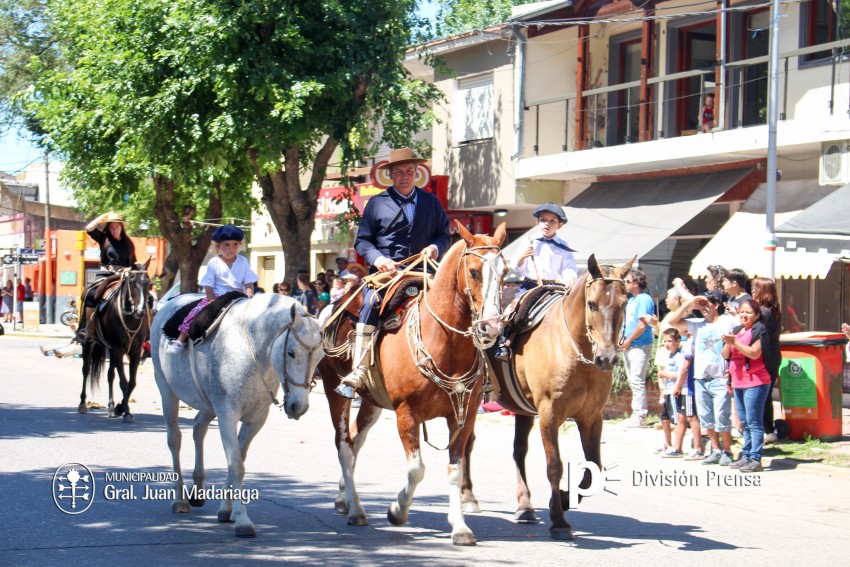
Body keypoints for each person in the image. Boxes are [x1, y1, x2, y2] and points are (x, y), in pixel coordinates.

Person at [334, 148, 451, 397]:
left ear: (417, 173)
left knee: (458, 303)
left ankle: (474, 372)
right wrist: (378, 260)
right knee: (370, 302)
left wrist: (434, 247)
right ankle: (359, 369)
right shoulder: (376, 203)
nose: (405, 176)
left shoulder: (431, 202)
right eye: (399, 172)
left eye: (409, 171)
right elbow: (363, 241)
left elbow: (444, 235)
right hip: (389, 272)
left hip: (425, 269)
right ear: (391, 175)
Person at [494, 202, 577, 359]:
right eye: (543, 219)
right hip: (531, 286)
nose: (547, 223)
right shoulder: (529, 240)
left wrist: (569, 279)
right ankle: (503, 343)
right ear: (537, 222)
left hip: (554, 287)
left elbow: (569, 267)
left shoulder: (563, 246)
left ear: (560, 225)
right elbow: (516, 267)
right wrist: (522, 257)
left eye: (552, 221)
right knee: (513, 310)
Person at [668, 286, 737, 466]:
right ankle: (715, 449)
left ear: (718, 304)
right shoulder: (697, 324)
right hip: (700, 378)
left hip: (720, 378)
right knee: (707, 418)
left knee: (722, 415)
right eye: (703, 303)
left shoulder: (728, 322)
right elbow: (673, 321)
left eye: (710, 303)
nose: (706, 306)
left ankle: (727, 450)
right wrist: (690, 303)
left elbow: (743, 329)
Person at [166, 225, 257, 354]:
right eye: (227, 245)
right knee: (196, 312)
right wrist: (211, 300)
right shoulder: (214, 262)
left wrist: (249, 295)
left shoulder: (243, 261)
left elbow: (248, 282)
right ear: (218, 246)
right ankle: (180, 340)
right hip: (218, 296)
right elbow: (208, 284)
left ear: (239, 245)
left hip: (238, 297)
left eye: (235, 245)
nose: (231, 248)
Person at [722, 299, 772, 473]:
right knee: (744, 422)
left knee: (754, 421)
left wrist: (735, 342)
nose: (744, 315)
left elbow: (755, 353)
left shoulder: (759, 329)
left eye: (749, 312)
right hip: (739, 382)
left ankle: (755, 459)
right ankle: (747, 455)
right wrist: (729, 341)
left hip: (756, 381)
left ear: (757, 315)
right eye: (742, 311)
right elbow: (725, 354)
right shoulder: (737, 331)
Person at [619, 268, 655, 427]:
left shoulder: (644, 299)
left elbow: (642, 325)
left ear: (636, 283)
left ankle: (640, 415)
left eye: (627, 281)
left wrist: (628, 340)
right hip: (630, 344)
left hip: (640, 344)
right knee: (633, 380)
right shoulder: (631, 300)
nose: (625, 284)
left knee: (637, 380)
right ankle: (636, 413)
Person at [751, 277, 782, 442]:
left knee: (761, 394)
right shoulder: (774, 309)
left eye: (755, 288)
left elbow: (756, 331)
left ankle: (767, 429)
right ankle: (768, 429)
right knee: (766, 393)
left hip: (766, 355)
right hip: (773, 354)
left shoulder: (764, 312)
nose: (753, 291)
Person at [657, 328, 684, 457]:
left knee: (676, 419)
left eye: (670, 341)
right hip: (667, 391)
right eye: (665, 341)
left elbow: (679, 374)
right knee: (664, 418)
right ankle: (667, 443)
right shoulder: (667, 356)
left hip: (674, 390)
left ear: (677, 341)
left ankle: (677, 447)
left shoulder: (679, 356)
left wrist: (666, 375)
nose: (667, 344)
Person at [675, 335, 703, 460]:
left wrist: (678, 385)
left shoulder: (691, 342)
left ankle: (698, 448)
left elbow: (686, 367)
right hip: (683, 386)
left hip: (688, 386)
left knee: (691, 417)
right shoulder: (686, 342)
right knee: (681, 416)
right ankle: (677, 448)